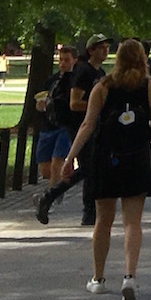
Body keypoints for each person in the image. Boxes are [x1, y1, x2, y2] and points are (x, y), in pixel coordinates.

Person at [60, 39, 151, 300]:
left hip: (106, 156)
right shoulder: (149, 87)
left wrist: (70, 157)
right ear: (142, 58)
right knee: (132, 221)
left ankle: (98, 278)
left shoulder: (103, 86)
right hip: (137, 156)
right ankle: (129, 276)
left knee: (103, 220)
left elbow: (87, 125)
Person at [37, 34, 109, 226]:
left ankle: (89, 213)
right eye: (101, 47)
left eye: (107, 47)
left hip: (92, 126)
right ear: (91, 50)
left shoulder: (99, 72)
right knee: (88, 167)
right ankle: (49, 196)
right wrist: (99, 106)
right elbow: (74, 103)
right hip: (78, 126)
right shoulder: (83, 72)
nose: (106, 51)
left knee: (91, 168)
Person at [35, 45, 78, 186]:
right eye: (61, 60)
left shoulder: (76, 80)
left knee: (56, 162)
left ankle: (52, 195)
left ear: (75, 60)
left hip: (66, 126)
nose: (63, 63)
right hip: (48, 126)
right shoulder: (52, 80)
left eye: (67, 60)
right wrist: (41, 106)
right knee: (45, 170)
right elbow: (42, 100)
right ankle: (62, 183)